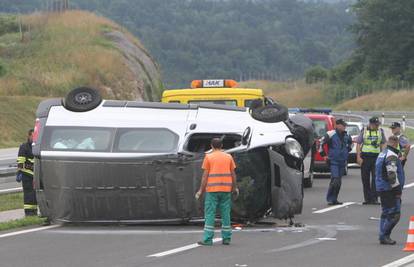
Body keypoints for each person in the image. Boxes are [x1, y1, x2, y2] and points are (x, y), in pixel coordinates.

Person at [196, 138, 239, 246]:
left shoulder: (209, 157)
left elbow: (205, 176)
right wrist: (235, 187)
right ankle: (226, 238)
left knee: (210, 214)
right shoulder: (228, 157)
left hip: (212, 190)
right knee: (226, 213)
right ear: (222, 145)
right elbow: (233, 174)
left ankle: (208, 239)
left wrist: (201, 190)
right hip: (226, 190)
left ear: (211, 146)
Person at [375, 136, 405, 245]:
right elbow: (391, 174)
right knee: (394, 214)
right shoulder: (391, 155)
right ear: (395, 143)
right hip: (389, 188)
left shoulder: (382, 153)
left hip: (381, 186)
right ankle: (384, 235)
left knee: (385, 212)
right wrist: (397, 190)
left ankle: (383, 235)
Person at [319, 119, 352, 205]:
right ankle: (330, 198)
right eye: (343, 125)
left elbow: (351, 143)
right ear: (337, 125)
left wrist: (346, 151)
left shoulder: (347, 135)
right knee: (336, 179)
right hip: (333, 160)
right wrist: (324, 156)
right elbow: (320, 143)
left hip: (342, 161)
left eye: (345, 125)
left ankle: (334, 199)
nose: (344, 127)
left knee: (338, 181)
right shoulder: (331, 134)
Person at [356, 117, 386, 205]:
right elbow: (358, 143)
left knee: (375, 178)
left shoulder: (380, 131)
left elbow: (383, 143)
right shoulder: (364, 130)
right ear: (371, 124)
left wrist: (383, 155)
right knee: (365, 178)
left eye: (378, 125)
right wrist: (358, 157)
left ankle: (374, 198)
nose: (377, 126)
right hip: (365, 156)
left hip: (376, 157)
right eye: (376, 125)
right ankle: (367, 199)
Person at [16, 129, 38, 216]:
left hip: (36, 175)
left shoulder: (37, 146)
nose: (34, 138)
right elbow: (20, 162)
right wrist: (20, 172)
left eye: (35, 136)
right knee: (29, 194)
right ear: (29, 136)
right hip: (27, 175)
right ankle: (29, 213)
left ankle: (34, 212)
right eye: (33, 136)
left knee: (35, 194)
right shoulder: (24, 147)